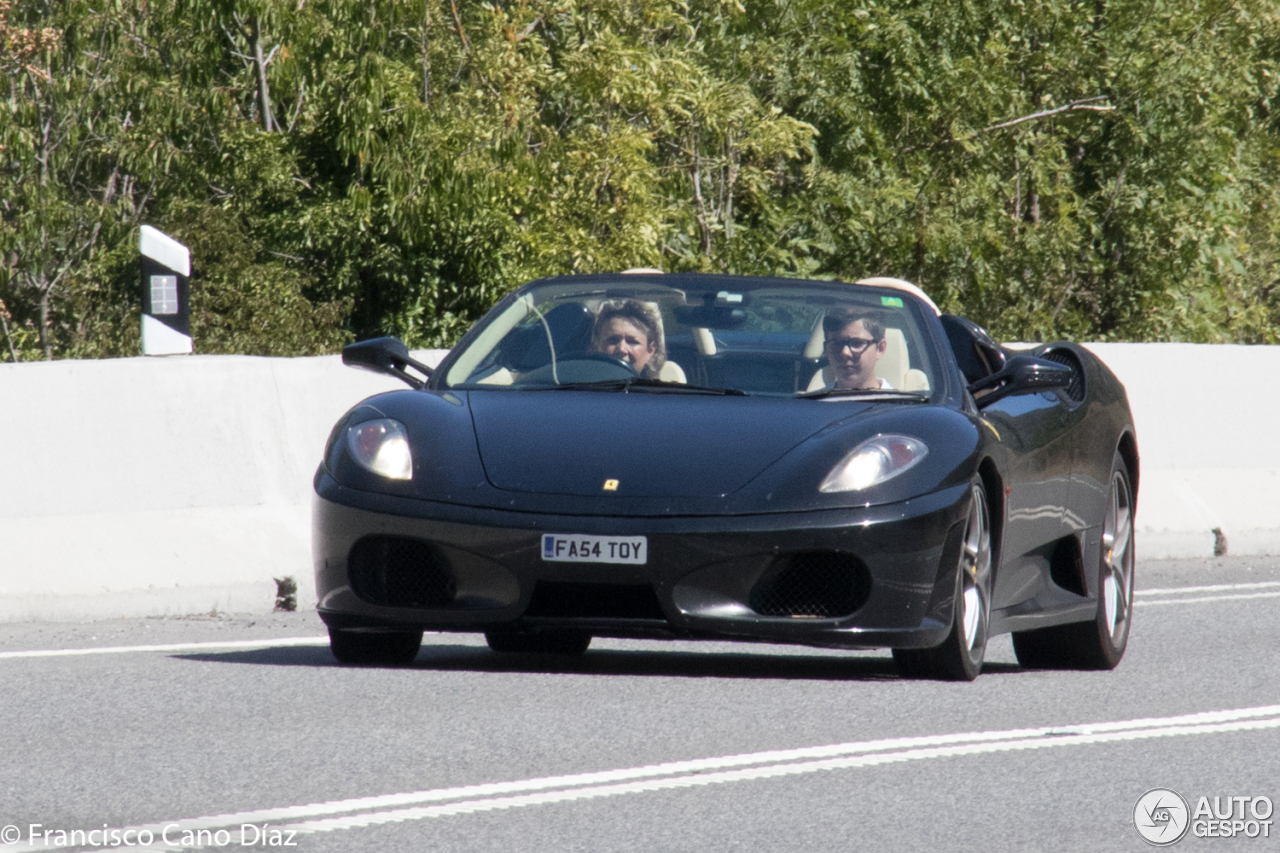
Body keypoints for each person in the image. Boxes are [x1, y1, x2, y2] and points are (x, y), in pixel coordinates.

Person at [590, 300, 667, 379]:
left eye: (632, 342)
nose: (621, 349)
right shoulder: (581, 389)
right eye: (613, 340)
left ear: (650, 350)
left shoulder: (661, 390)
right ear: (598, 346)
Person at [822, 308, 890, 390]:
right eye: (836, 344)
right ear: (826, 350)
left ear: (880, 348)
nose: (845, 352)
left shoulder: (897, 402)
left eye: (856, 343)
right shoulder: (811, 401)